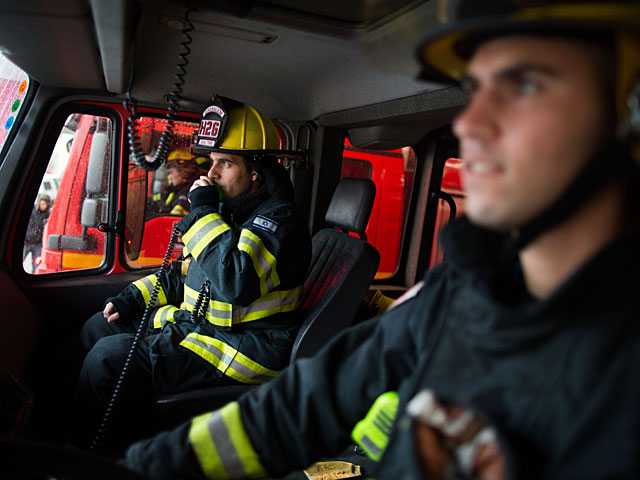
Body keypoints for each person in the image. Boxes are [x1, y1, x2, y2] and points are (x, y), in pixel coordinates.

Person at [123, 1, 640, 478]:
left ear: (629, 119)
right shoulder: (460, 291)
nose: (473, 123)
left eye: (525, 86)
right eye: (477, 91)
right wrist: (149, 468)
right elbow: (307, 404)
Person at [71, 96, 312, 449]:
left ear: (256, 172)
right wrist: (132, 297)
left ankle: (96, 461)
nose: (211, 174)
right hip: (208, 330)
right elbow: (184, 273)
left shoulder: (279, 222)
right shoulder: (229, 213)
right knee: (98, 326)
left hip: (247, 347)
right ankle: (128, 431)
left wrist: (201, 214)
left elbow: (234, 281)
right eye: (213, 162)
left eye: (225, 164)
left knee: (107, 360)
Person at [147, 147, 210, 217]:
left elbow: (174, 217)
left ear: (184, 171)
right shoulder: (175, 189)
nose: (170, 177)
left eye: (171, 173)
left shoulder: (189, 194)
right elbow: (159, 199)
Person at [23, 193, 51, 273]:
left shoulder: (48, 215)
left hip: (38, 244)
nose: (43, 206)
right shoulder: (32, 212)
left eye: (45, 204)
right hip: (27, 242)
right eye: (42, 204)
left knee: (36, 265)